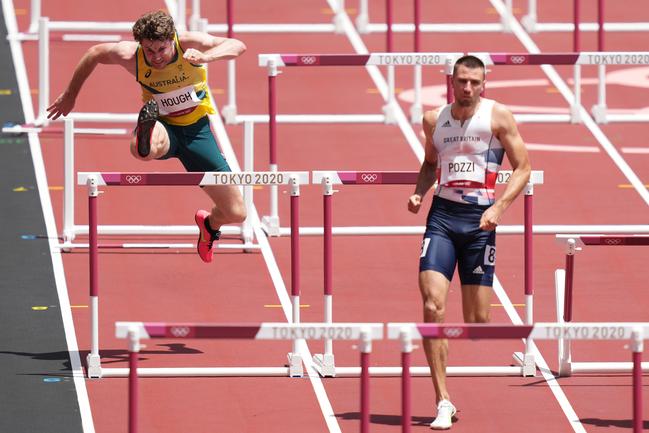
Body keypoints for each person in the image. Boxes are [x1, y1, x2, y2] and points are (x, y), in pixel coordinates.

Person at [47, 10, 247, 263]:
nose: (155, 57)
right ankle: (145, 135)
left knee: (237, 212)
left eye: (161, 50)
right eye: (149, 51)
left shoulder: (190, 43)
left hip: (198, 132)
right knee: (145, 149)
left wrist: (207, 56)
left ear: (172, 40)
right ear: (141, 45)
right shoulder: (131, 55)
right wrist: (70, 95)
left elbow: (238, 45)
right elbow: (94, 53)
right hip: (165, 126)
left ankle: (209, 225)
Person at [407, 55, 531, 430]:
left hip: (480, 224)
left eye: (475, 82)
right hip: (442, 219)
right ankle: (442, 399)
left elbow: (523, 167)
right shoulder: (434, 120)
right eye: (462, 81)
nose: (468, 88)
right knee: (432, 307)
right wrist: (419, 193)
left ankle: (448, 385)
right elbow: (431, 163)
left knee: (478, 320)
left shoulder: (498, 117)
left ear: (484, 84)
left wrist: (499, 209)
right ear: (452, 81)